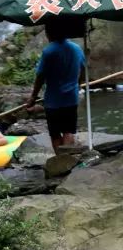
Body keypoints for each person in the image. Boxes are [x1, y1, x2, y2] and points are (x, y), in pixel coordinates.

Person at [26, 21, 86, 154]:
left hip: (53, 100)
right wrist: (79, 84)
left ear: (49, 33)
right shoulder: (76, 48)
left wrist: (33, 97)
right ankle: (67, 160)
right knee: (68, 130)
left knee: (55, 133)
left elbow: (40, 76)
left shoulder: (49, 51)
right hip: (71, 97)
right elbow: (83, 69)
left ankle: (59, 159)